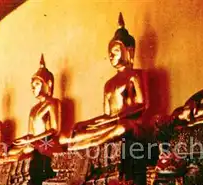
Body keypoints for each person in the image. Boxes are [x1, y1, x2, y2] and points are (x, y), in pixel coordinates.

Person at [62, 13, 146, 151]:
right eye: (110, 52)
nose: (111, 55)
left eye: (116, 51)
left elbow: (142, 105)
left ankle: (89, 144)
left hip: (130, 122)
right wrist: (86, 123)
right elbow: (106, 115)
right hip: (109, 124)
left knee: (122, 127)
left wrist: (117, 117)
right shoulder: (109, 84)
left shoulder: (135, 75)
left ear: (129, 51)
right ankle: (90, 142)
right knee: (67, 135)